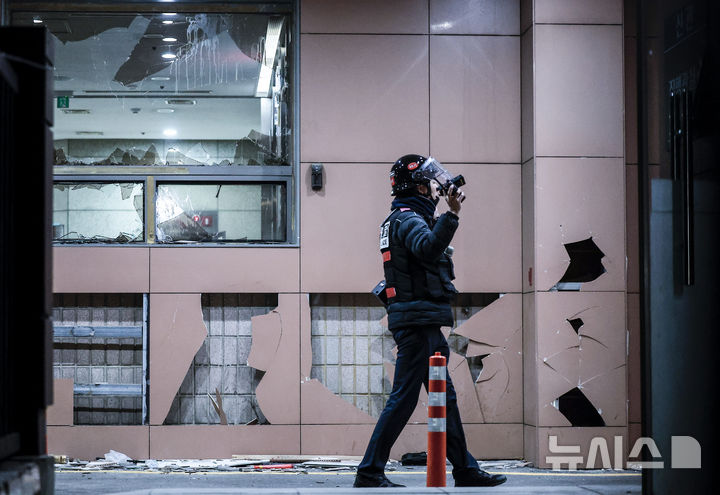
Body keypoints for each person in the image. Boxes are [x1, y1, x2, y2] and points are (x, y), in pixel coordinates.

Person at [353, 154, 507, 488]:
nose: (434, 191)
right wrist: (451, 215)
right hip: (418, 324)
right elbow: (427, 249)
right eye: (429, 185)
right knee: (404, 399)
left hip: (419, 321)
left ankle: (465, 470)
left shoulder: (401, 218)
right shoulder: (408, 220)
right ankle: (369, 471)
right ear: (416, 186)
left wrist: (443, 215)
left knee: (443, 399)